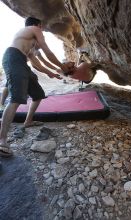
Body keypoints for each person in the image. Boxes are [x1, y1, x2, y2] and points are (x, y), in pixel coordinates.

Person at [0, 17, 69, 157]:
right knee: (16, 99)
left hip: (21, 62)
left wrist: (52, 73)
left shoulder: (28, 45)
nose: (42, 30)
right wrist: (62, 67)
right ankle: (2, 140)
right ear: (39, 25)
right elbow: (48, 51)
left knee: (38, 95)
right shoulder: (34, 29)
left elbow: (37, 63)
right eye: (42, 28)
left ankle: (28, 121)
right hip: (13, 58)